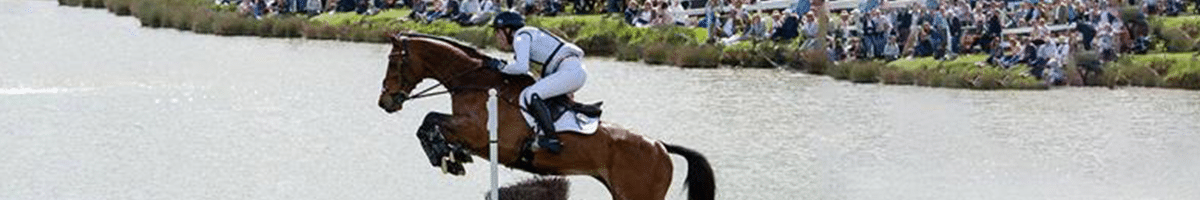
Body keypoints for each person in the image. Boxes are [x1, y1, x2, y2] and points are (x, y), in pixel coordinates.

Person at [488, 11, 587, 153]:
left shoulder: (520, 37)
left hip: (569, 70)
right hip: (570, 70)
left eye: (498, 32)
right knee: (535, 91)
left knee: (532, 95)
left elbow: (521, 67)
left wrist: (500, 66)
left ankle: (551, 138)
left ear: (508, 30)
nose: (497, 37)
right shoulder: (528, 35)